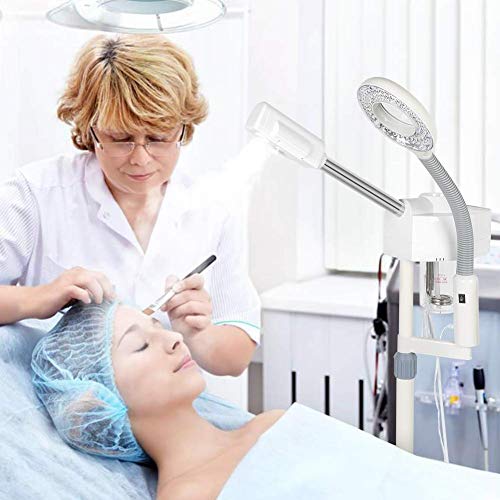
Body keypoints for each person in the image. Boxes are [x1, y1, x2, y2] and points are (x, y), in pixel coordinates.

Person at [32, 301, 500, 500]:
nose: (173, 339)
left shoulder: (274, 421)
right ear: (93, 405)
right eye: (140, 345)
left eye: (159, 327)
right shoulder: (189, 496)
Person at [0, 34, 260, 378]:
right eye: (120, 139)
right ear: (91, 130)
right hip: (61, 404)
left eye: (158, 138)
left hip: (167, 403)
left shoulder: (213, 212)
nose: (140, 159)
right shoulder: (35, 193)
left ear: (183, 129)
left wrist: (199, 334)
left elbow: (236, 358)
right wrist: (41, 298)